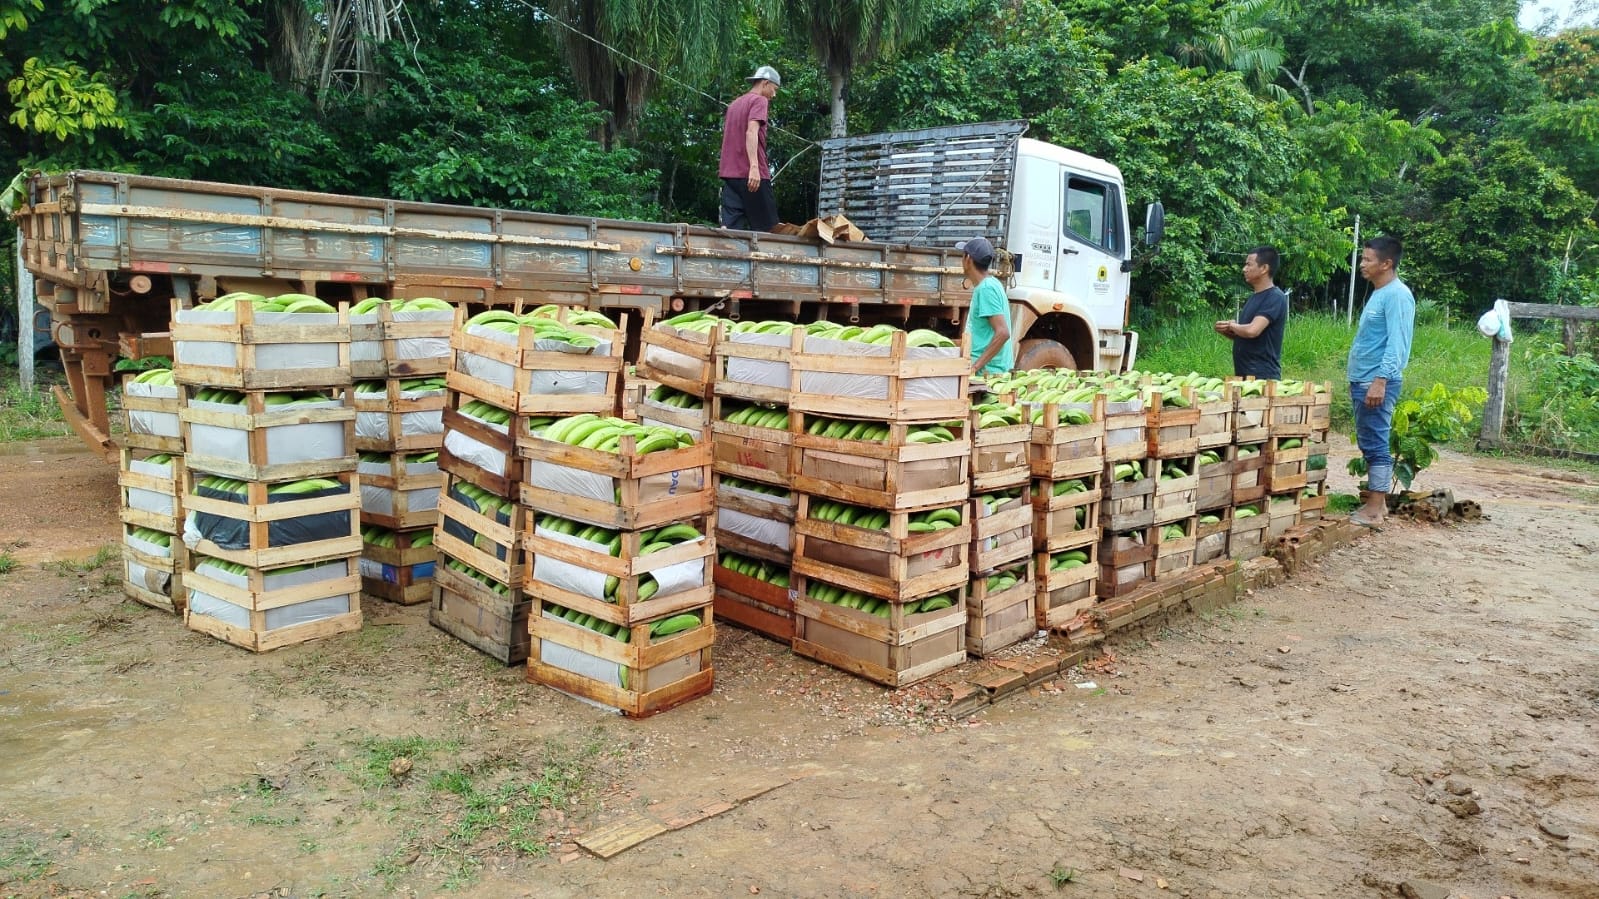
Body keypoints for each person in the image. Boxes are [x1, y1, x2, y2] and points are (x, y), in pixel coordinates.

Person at [1346, 235, 1415, 527]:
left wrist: (1380, 380)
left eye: (1367, 260)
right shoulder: (1380, 292)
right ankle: (1380, 505)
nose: (1362, 264)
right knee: (1369, 440)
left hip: (1375, 381)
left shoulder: (1398, 295)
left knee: (1375, 444)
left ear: (1386, 263)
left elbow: (1397, 344)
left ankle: (1373, 510)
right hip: (1364, 379)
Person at [718, 66, 781, 232]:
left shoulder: (734, 105)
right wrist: (754, 168)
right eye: (774, 89)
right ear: (765, 83)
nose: (773, 95)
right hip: (753, 176)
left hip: (730, 175)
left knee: (730, 231)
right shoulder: (759, 101)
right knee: (769, 231)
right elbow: (751, 131)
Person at [1214, 245, 1288, 379]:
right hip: (1245, 376)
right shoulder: (1254, 297)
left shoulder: (1275, 297)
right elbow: (1247, 336)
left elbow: (1252, 331)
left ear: (1264, 268)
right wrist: (1228, 331)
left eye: (1249, 265)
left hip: (1263, 378)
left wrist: (1232, 326)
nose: (1244, 269)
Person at [957, 236, 1013, 379]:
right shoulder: (992, 283)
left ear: (968, 259)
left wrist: (975, 367)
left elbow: (1003, 332)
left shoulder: (986, 289)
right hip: (987, 372)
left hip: (988, 375)